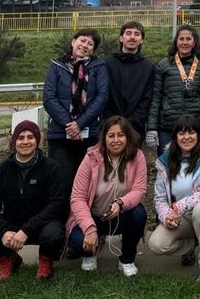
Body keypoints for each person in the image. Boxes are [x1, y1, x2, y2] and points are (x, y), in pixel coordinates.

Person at [0, 120, 66, 282]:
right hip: (11, 224)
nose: (25, 142)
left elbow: (56, 205)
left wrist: (26, 230)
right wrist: (3, 231)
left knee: (54, 234)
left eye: (30, 137)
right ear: (14, 141)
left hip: (41, 224)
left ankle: (45, 260)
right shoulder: (1, 170)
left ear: (37, 140)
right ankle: (8, 259)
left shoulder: (52, 167)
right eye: (20, 138)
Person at [148, 115, 200, 283]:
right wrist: (167, 216)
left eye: (191, 132)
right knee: (157, 244)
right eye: (181, 133)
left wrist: (179, 206)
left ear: (198, 135)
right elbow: (160, 198)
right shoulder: (165, 161)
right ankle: (194, 243)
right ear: (175, 137)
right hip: (182, 216)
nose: (186, 137)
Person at [65, 116, 148, 277]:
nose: (116, 140)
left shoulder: (137, 156)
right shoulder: (91, 157)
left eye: (120, 135)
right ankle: (90, 254)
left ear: (128, 137)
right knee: (77, 242)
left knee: (138, 214)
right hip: (94, 217)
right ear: (104, 138)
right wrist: (89, 229)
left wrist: (121, 203)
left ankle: (126, 260)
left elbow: (139, 190)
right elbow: (77, 197)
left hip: (121, 216)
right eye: (111, 135)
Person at [43, 28, 108, 195]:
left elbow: (101, 97)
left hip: (90, 134)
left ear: (93, 50)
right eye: (82, 40)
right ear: (73, 41)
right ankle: (62, 212)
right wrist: (69, 124)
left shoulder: (99, 67)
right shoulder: (57, 66)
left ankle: (82, 213)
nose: (85, 45)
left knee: (87, 184)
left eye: (90, 44)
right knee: (61, 183)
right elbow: (49, 98)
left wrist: (80, 123)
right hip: (60, 135)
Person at [147, 24, 200, 155]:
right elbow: (156, 98)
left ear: (194, 42)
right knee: (168, 165)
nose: (185, 42)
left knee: (196, 165)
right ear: (176, 41)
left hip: (196, 127)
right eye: (181, 39)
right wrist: (151, 128)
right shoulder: (163, 65)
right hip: (168, 127)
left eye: (188, 39)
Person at [104, 21, 155, 137]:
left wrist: (130, 123)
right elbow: (102, 95)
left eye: (137, 34)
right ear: (121, 38)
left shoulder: (149, 67)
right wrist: (112, 122)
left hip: (135, 129)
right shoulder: (106, 64)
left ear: (141, 40)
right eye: (128, 33)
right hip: (109, 127)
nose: (132, 37)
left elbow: (147, 99)